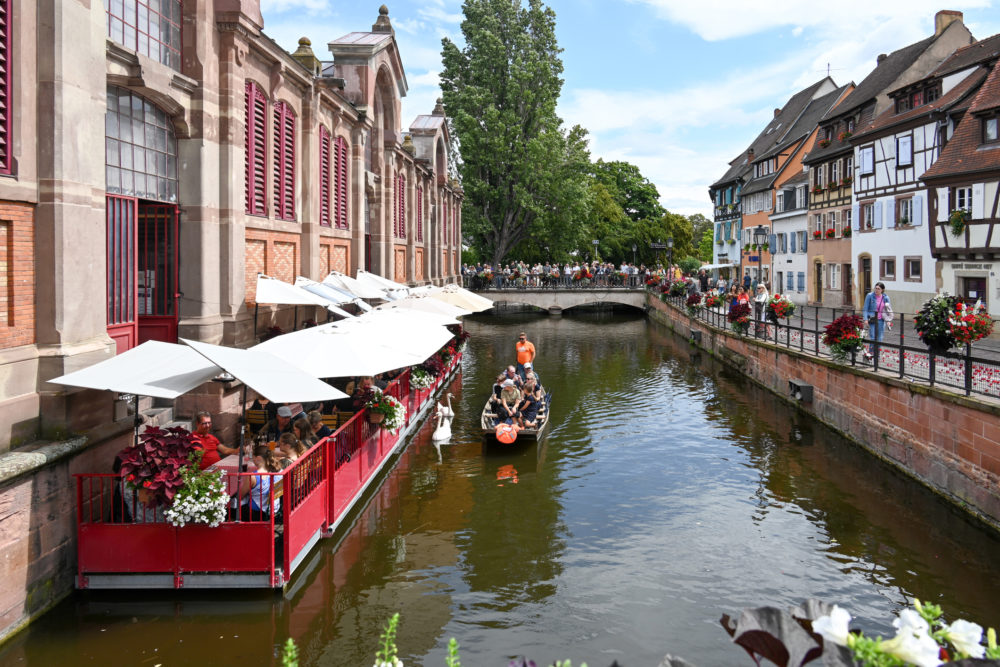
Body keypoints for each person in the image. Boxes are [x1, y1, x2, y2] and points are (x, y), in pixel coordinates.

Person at [236, 445, 282, 521]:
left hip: (256, 513)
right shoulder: (278, 471)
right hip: (273, 510)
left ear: (258, 458)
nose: (252, 460)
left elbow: (240, 495)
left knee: (231, 508)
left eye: (253, 457)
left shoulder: (253, 476)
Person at [862, 282, 894, 361]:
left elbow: (888, 310)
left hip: (881, 320)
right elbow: (865, 308)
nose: (876, 290)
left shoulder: (886, 298)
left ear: (882, 290)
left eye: (878, 289)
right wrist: (865, 319)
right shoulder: (870, 296)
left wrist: (888, 320)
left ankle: (877, 355)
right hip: (872, 319)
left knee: (879, 338)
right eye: (875, 288)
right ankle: (871, 354)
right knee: (873, 337)